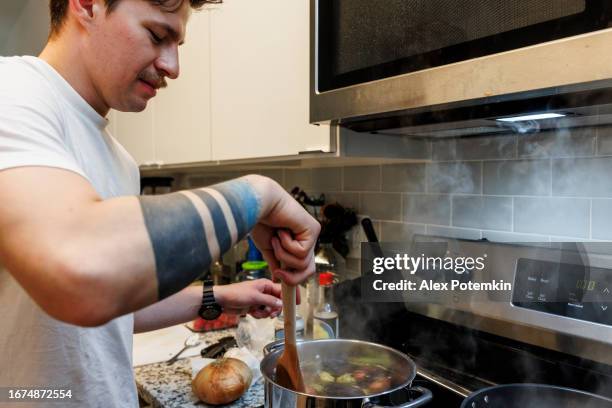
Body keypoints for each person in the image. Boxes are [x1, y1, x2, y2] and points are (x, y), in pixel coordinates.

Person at [0, 0, 320, 406]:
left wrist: (218, 298)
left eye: (178, 43)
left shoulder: (121, 161)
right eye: (156, 35)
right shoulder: (11, 92)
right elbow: (80, 269)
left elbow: (112, 306)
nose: (173, 66)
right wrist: (256, 196)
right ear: (86, 5)